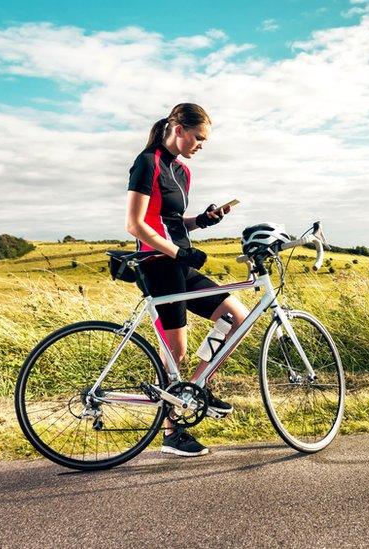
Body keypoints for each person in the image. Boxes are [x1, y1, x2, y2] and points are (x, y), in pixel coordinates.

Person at [124, 103, 250, 457]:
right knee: (174, 351)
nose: (200, 146)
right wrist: (178, 253)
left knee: (236, 318)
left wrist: (204, 221)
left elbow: (172, 220)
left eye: (204, 141)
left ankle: (196, 387)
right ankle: (171, 432)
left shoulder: (182, 171)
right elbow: (135, 224)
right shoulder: (147, 162)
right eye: (198, 138)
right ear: (178, 129)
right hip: (158, 266)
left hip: (179, 264)